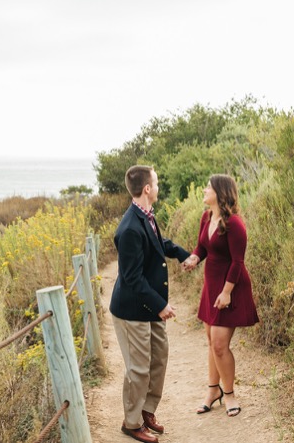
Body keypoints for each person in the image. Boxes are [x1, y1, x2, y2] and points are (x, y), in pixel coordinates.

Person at [110, 165, 198, 443]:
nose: (158, 187)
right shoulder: (129, 229)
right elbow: (132, 279)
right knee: (138, 367)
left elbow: (161, 244)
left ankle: (147, 410)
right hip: (132, 310)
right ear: (147, 188)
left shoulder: (146, 216)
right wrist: (161, 305)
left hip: (149, 307)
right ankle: (131, 422)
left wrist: (185, 254)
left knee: (159, 357)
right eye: (156, 183)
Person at [184, 174, 259, 417]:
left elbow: (238, 262)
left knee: (219, 344)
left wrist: (227, 293)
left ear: (220, 192)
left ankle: (229, 395)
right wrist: (195, 258)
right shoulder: (207, 217)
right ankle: (212, 390)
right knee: (211, 342)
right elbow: (202, 246)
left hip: (231, 287)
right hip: (211, 285)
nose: (204, 190)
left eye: (208, 187)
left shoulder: (235, 224)